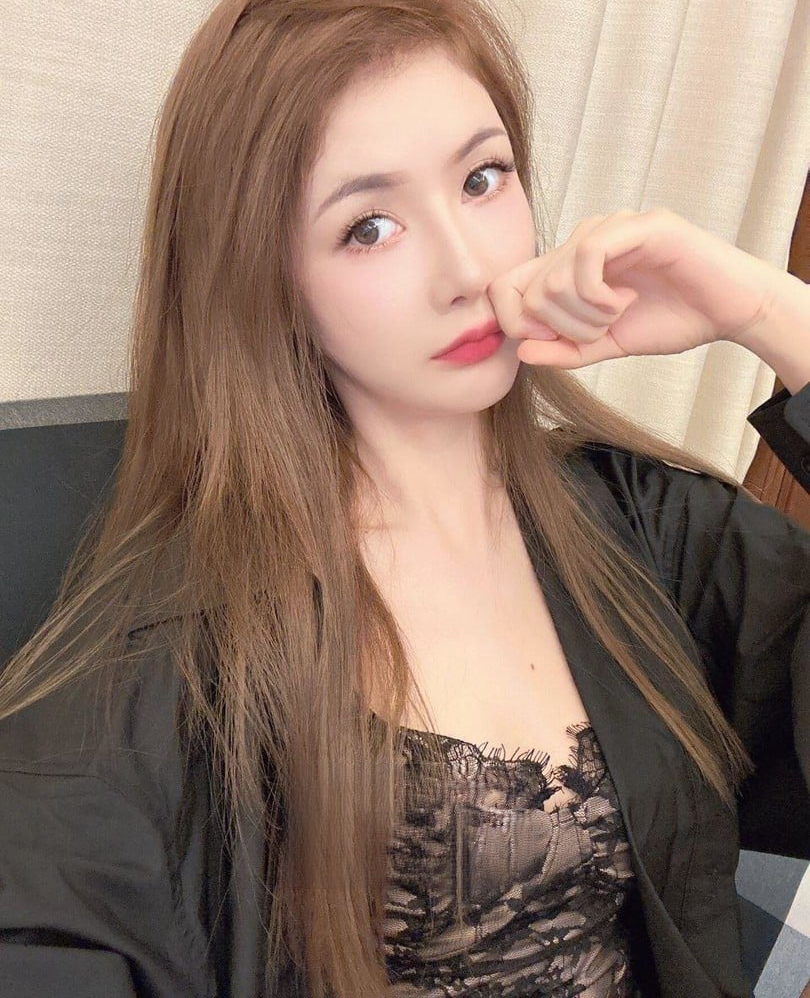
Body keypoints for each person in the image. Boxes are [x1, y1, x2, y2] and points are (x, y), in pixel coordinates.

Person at [0, 1, 808, 996]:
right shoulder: (179, 662)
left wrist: (768, 311)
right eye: (369, 227)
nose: (469, 270)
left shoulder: (651, 531)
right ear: (262, 278)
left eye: (482, 178)